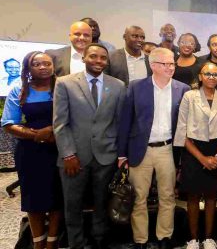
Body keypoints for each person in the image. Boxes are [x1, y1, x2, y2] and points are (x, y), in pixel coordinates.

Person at [53, 43, 126, 249]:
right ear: (84, 58)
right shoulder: (65, 83)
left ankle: (100, 241)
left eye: (103, 58)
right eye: (93, 56)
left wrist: (119, 155)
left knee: (102, 205)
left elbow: (119, 123)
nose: (98, 61)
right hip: (74, 158)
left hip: (106, 157)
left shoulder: (118, 85)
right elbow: (60, 123)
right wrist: (68, 154)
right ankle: (76, 243)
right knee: (73, 205)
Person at [117, 48, 190, 249]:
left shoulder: (182, 89)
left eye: (172, 64)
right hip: (141, 150)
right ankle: (140, 240)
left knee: (167, 196)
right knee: (139, 197)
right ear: (153, 66)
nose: (170, 68)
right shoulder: (135, 87)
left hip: (167, 150)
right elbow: (125, 122)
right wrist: (122, 154)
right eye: (165, 64)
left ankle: (164, 237)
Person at [1, 52, 63, 249]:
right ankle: (38, 241)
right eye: (37, 64)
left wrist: (52, 131)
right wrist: (36, 135)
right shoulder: (19, 90)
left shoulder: (63, 87)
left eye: (47, 63)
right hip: (30, 152)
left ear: (53, 66)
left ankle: (52, 241)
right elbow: (9, 124)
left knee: (57, 197)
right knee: (33, 198)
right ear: (28, 69)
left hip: (60, 148)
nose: (43, 67)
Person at [174, 62, 217, 249]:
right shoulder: (189, 96)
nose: (212, 77)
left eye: (215, 74)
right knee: (193, 197)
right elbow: (182, 131)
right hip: (193, 150)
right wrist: (203, 158)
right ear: (200, 76)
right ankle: (193, 239)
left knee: (212, 196)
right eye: (208, 74)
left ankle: (209, 238)